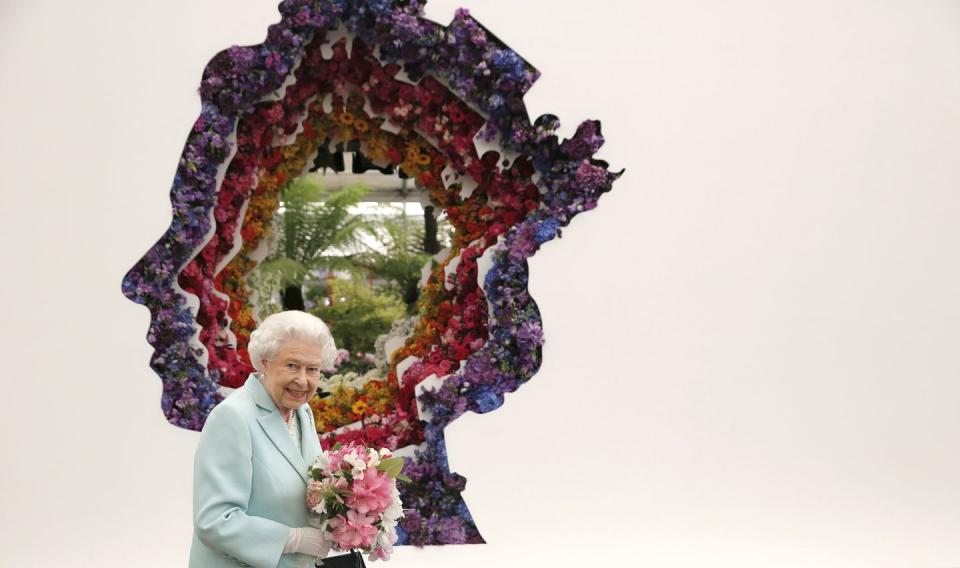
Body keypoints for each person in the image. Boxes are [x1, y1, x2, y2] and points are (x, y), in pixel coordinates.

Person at [189, 310, 338, 567]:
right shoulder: (233, 417)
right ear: (265, 362)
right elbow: (215, 520)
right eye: (292, 365)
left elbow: (306, 482)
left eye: (312, 369)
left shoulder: (302, 412)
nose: (302, 380)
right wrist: (294, 539)